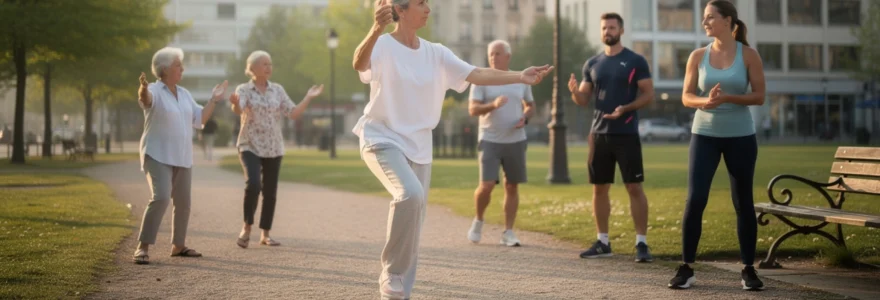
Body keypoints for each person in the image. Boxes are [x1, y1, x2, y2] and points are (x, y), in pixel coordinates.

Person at [352, 1, 552, 298]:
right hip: (381, 137)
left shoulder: (436, 53)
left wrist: (519, 76)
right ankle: (391, 272)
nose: (428, 8)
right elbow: (359, 63)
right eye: (421, 3)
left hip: (419, 145)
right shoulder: (382, 44)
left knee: (415, 220)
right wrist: (376, 27)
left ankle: (398, 292)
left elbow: (478, 73)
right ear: (402, 10)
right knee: (411, 195)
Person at [668, 0, 766, 290]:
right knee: (696, 199)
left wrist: (727, 99)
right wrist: (706, 102)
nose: (705, 22)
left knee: (742, 202)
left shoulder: (749, 55)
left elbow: (759, 96)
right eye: (705, 18)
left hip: (741, 136)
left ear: (727, 20)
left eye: (711, 17)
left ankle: (748, 269)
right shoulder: (698, 56)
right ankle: (686, 268)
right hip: (704, 135)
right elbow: (687, 96)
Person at [568, 12, 655, 263]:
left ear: (621, 30)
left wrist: (625, 109)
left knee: (634, 187)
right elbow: (584, 99)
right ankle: (603, 241)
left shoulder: (636, 60)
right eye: (604, 28)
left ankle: (641, 243)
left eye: (612, 27)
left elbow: (648, 94)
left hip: (626, 133)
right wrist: (575, 92)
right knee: (599, 189)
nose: (608, 31)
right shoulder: (592, 63)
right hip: (599, 135)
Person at [132, 47, 227, 264]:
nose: (182, 69)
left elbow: (200, 119)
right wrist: (143, 89)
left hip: (182, 155)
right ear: (164, 70)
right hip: (157, 154)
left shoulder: (184, 94)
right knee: (162, 196)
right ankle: (142, 246)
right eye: (178, 65)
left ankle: (178, 246)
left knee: (183, 202)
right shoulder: (155, 90)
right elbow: (146, 101)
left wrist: (213, 99)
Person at [230, 50, 323, 249]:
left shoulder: (277, 90)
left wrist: (308, 97)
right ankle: (246, 227)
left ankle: (265, 234)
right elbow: (238, 108)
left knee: (270, 192)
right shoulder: (244, 89)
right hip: (250, 145)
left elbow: (293, 113)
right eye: (264, 64)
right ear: (252, 68)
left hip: (274, 147)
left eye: (270, 64)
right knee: (253, 184)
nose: (269, 67)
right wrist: (236, 105)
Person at [466, 39, 535, 247]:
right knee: (486, 185)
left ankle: (508, 231)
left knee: (512, 185)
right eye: (491, 54)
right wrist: (493, 105)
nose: (493, 58)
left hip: (516, 140)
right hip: (490, 139)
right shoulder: (481, 80)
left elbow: (530, 105)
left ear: (508, 57)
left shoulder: (521, 79)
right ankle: (478, 220)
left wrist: (526, 117)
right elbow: (473, 110)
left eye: (497, 54)